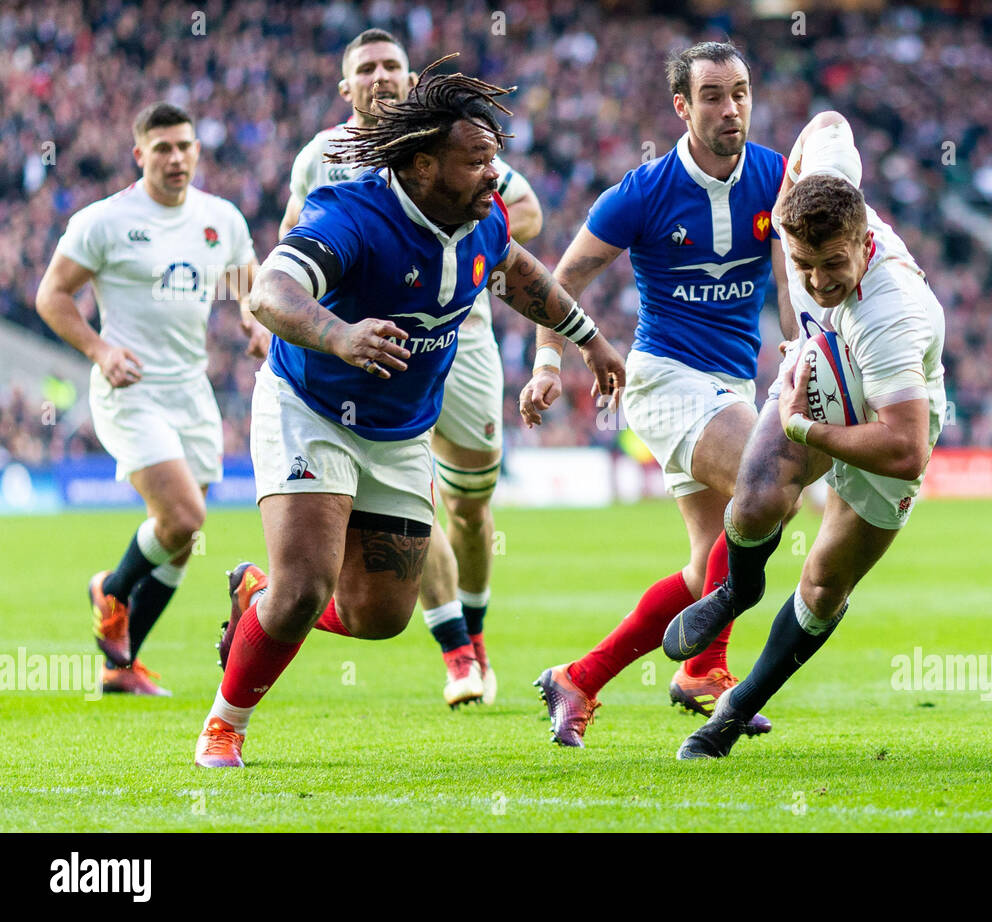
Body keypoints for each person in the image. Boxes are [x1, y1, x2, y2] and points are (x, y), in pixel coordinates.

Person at [194, 60, 624, 768]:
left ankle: (255, 596)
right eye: (477, 161)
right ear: (423, 165)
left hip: (399, 430)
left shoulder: (482, 218)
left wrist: (590, 342)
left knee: (380, 617)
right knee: (306, 587)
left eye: (495, 158)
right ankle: (225, 725)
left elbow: (518, 273)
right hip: (313, 406)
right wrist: (340, 334)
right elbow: (270, 292)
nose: (495, 175)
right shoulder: (354, 213)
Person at [518, 41, 795, 747]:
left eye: (740, 92)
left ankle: (583, 677)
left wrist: (797, 356)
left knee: (710, 562)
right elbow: (558, 282)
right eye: (712, 95)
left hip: (734, 384)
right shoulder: (641, 192)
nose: (730, 108)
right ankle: (706, 665)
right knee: (765, 488)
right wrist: (550, 360)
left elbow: (789, 283)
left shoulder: (776, 176)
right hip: (664, 379)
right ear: (681, 105)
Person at [664, 113, 947, 759]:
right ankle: (738, 588)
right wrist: (793, 176)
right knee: (756, 499)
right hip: (822, 365)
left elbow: (906, 450)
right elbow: (828, 121)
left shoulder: (889, 314)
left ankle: (732, 713)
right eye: (802, 264)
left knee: (822, 586)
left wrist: (804, 427)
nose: (817, 281)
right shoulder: (822, 187)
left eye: (832, 265)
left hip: (889, 411)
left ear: (863, 240)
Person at [280, 28, 546, 708]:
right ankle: (458, 650)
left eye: (391, 64)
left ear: (409, 76)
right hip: (374, 346)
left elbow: (528, 212)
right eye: (365, 68)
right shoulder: (324, 157)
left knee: (471, 505)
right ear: (347, 88)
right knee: (413, 486)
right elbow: (290, 240)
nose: (380, 76)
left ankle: (474, 631)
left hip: (464, 334)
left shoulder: (455, 142)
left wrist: (464, 240)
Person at [35, 102, 268, 697]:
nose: (175, 157)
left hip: (193, 392)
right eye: (162, 148)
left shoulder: (221, 218)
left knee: (182, 538)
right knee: (186, 517)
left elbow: (248, 283)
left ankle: (122, 666)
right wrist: (99, 349)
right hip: (130, 389)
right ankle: (110, 589)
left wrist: (252, 321)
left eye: (184, 146)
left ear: (197, 151)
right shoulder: (104, 221)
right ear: (139, 155)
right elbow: (52, 296)